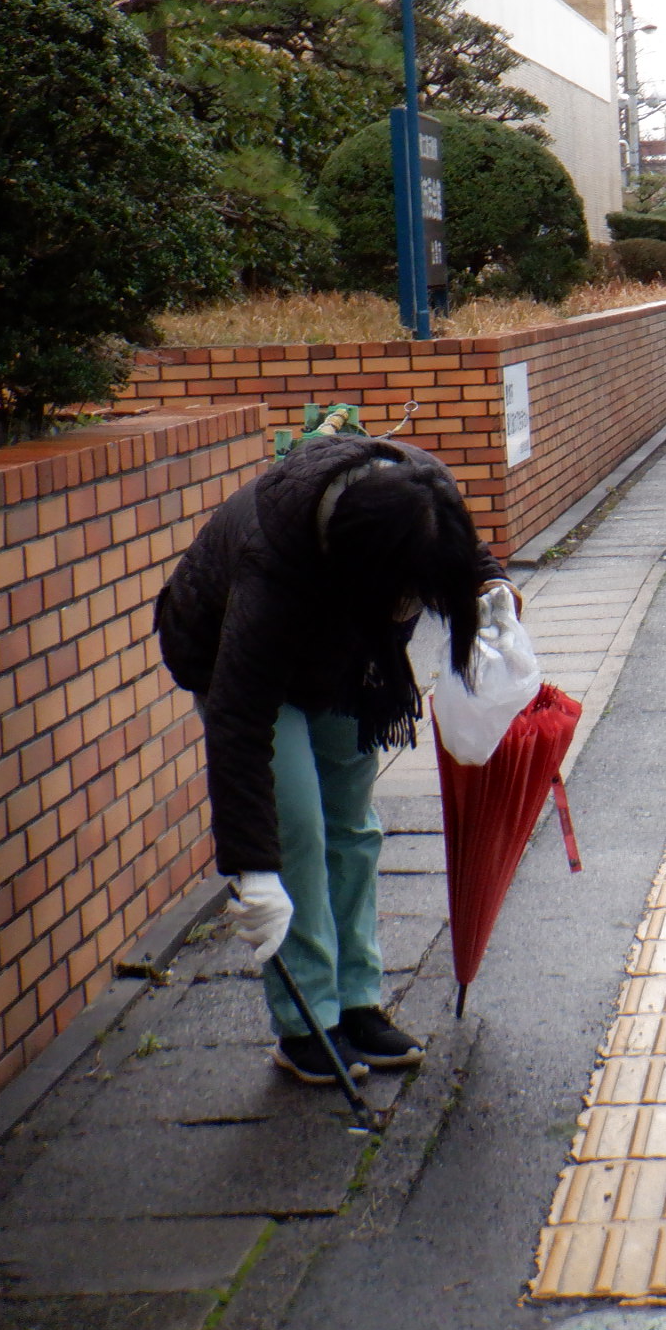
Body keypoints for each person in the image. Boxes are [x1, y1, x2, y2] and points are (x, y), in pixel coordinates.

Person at [156, 433, 512, 1084]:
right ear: (361, 570)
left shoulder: (421, 489)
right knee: (296, 831)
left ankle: (358, 1004)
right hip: (235, 659)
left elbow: (465, 555)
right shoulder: (277, 559)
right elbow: (237, 720)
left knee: (351, 827)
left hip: (346, 659)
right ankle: (306, 1025)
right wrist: (251, 868)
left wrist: (493, 591)